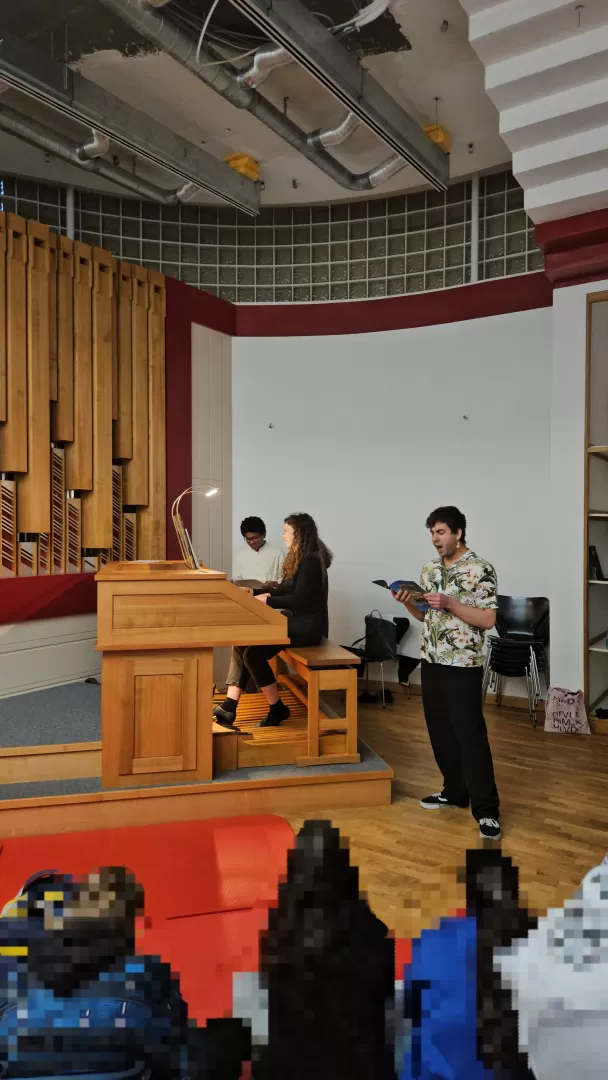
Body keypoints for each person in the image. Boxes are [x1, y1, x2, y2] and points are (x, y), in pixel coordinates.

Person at [233, 820, 397, 1080]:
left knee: (245, 989)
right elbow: (385, 993)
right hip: (359, 1066)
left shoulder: (280, 924)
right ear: (344, 870)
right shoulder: (370, 928)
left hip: (288, 1067)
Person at [394, 506, 501, 841]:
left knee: (470, 736)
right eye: (431, 533)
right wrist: (407, 603)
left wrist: (452, 604)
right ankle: (455, 791)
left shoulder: (480, 569)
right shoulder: (429, 570)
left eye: (440, 532)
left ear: (458, 533)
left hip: (463, 664)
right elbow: (427, 618)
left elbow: (488, 620)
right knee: (439, 731)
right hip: (432, 660)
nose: (435, 539)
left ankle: (487, 811)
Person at [214, 513, 332, 730]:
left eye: (287, 531)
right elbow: (286, 588)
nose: (283, 535)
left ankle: (276, 707)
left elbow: (300, 599)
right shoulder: (300, 558)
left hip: (308, 627)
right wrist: (254, 591)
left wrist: (267, 601)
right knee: (244, 641)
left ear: (299, 534)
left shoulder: (312, 560)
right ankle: (230, 705)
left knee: (253, 652)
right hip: (296, 621)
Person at [233, 516, 284, 587]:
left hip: (270, 595)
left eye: (254, 538)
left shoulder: (277, 553)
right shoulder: (241, 554)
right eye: (248, 539)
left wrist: (274, 583)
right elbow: (236, 578)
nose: (251, 542)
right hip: (247, 595)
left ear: (263, 535)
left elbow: (284, 578)